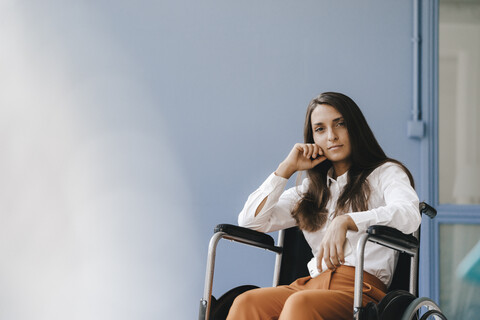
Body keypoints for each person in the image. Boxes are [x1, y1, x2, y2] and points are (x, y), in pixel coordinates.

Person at [226, 92, 421, 320]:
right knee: (247, 301)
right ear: (313, 139)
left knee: (300, 304)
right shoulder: (311, 191)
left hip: (360, 291)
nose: (331, 136)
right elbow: (250, 221)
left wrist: (348, 221)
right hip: (311, 285)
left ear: (355, 128)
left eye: (340, 124)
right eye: (320, 129)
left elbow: (409, 214)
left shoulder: (385, 173)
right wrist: (285, 169)